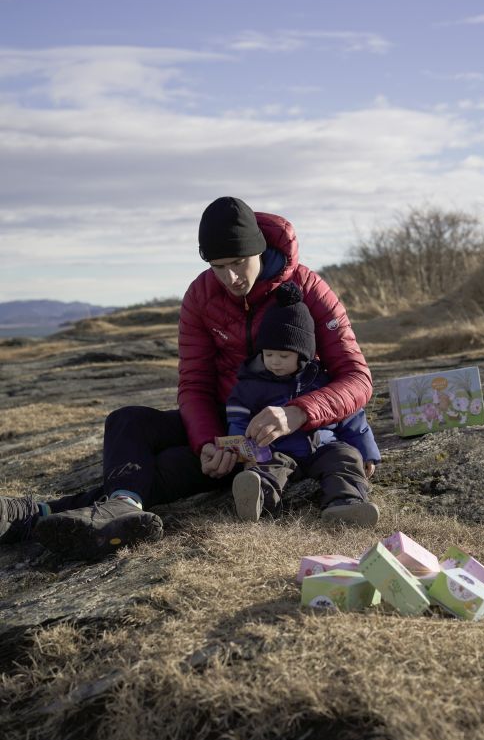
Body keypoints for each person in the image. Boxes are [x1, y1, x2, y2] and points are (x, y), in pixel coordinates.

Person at [0, 196, 374, 560]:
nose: (230, 277)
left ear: (258, 250)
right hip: (227, 425)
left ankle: (35, 515)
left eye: (238, 262)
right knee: (128, 421)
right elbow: (194, 382)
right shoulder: (201, 294)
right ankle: (120, 508)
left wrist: (298, 412)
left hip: (284, 442)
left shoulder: (309, 289)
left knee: (163, 470)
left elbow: (356, 377)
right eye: (217, 265)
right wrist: (206, 443)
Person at [227, 281, 380, 525]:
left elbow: (353, 417)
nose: (275, 362)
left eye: (284, 356)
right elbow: (237, 420)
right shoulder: (250, 385)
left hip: (324, 448)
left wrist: (367, 453)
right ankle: (257, 500)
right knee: (264, 469)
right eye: (269, 355)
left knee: (346, 458)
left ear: (303, 354)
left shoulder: (322, 381)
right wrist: (244, 454)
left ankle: (345, 504)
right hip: (278, 451)